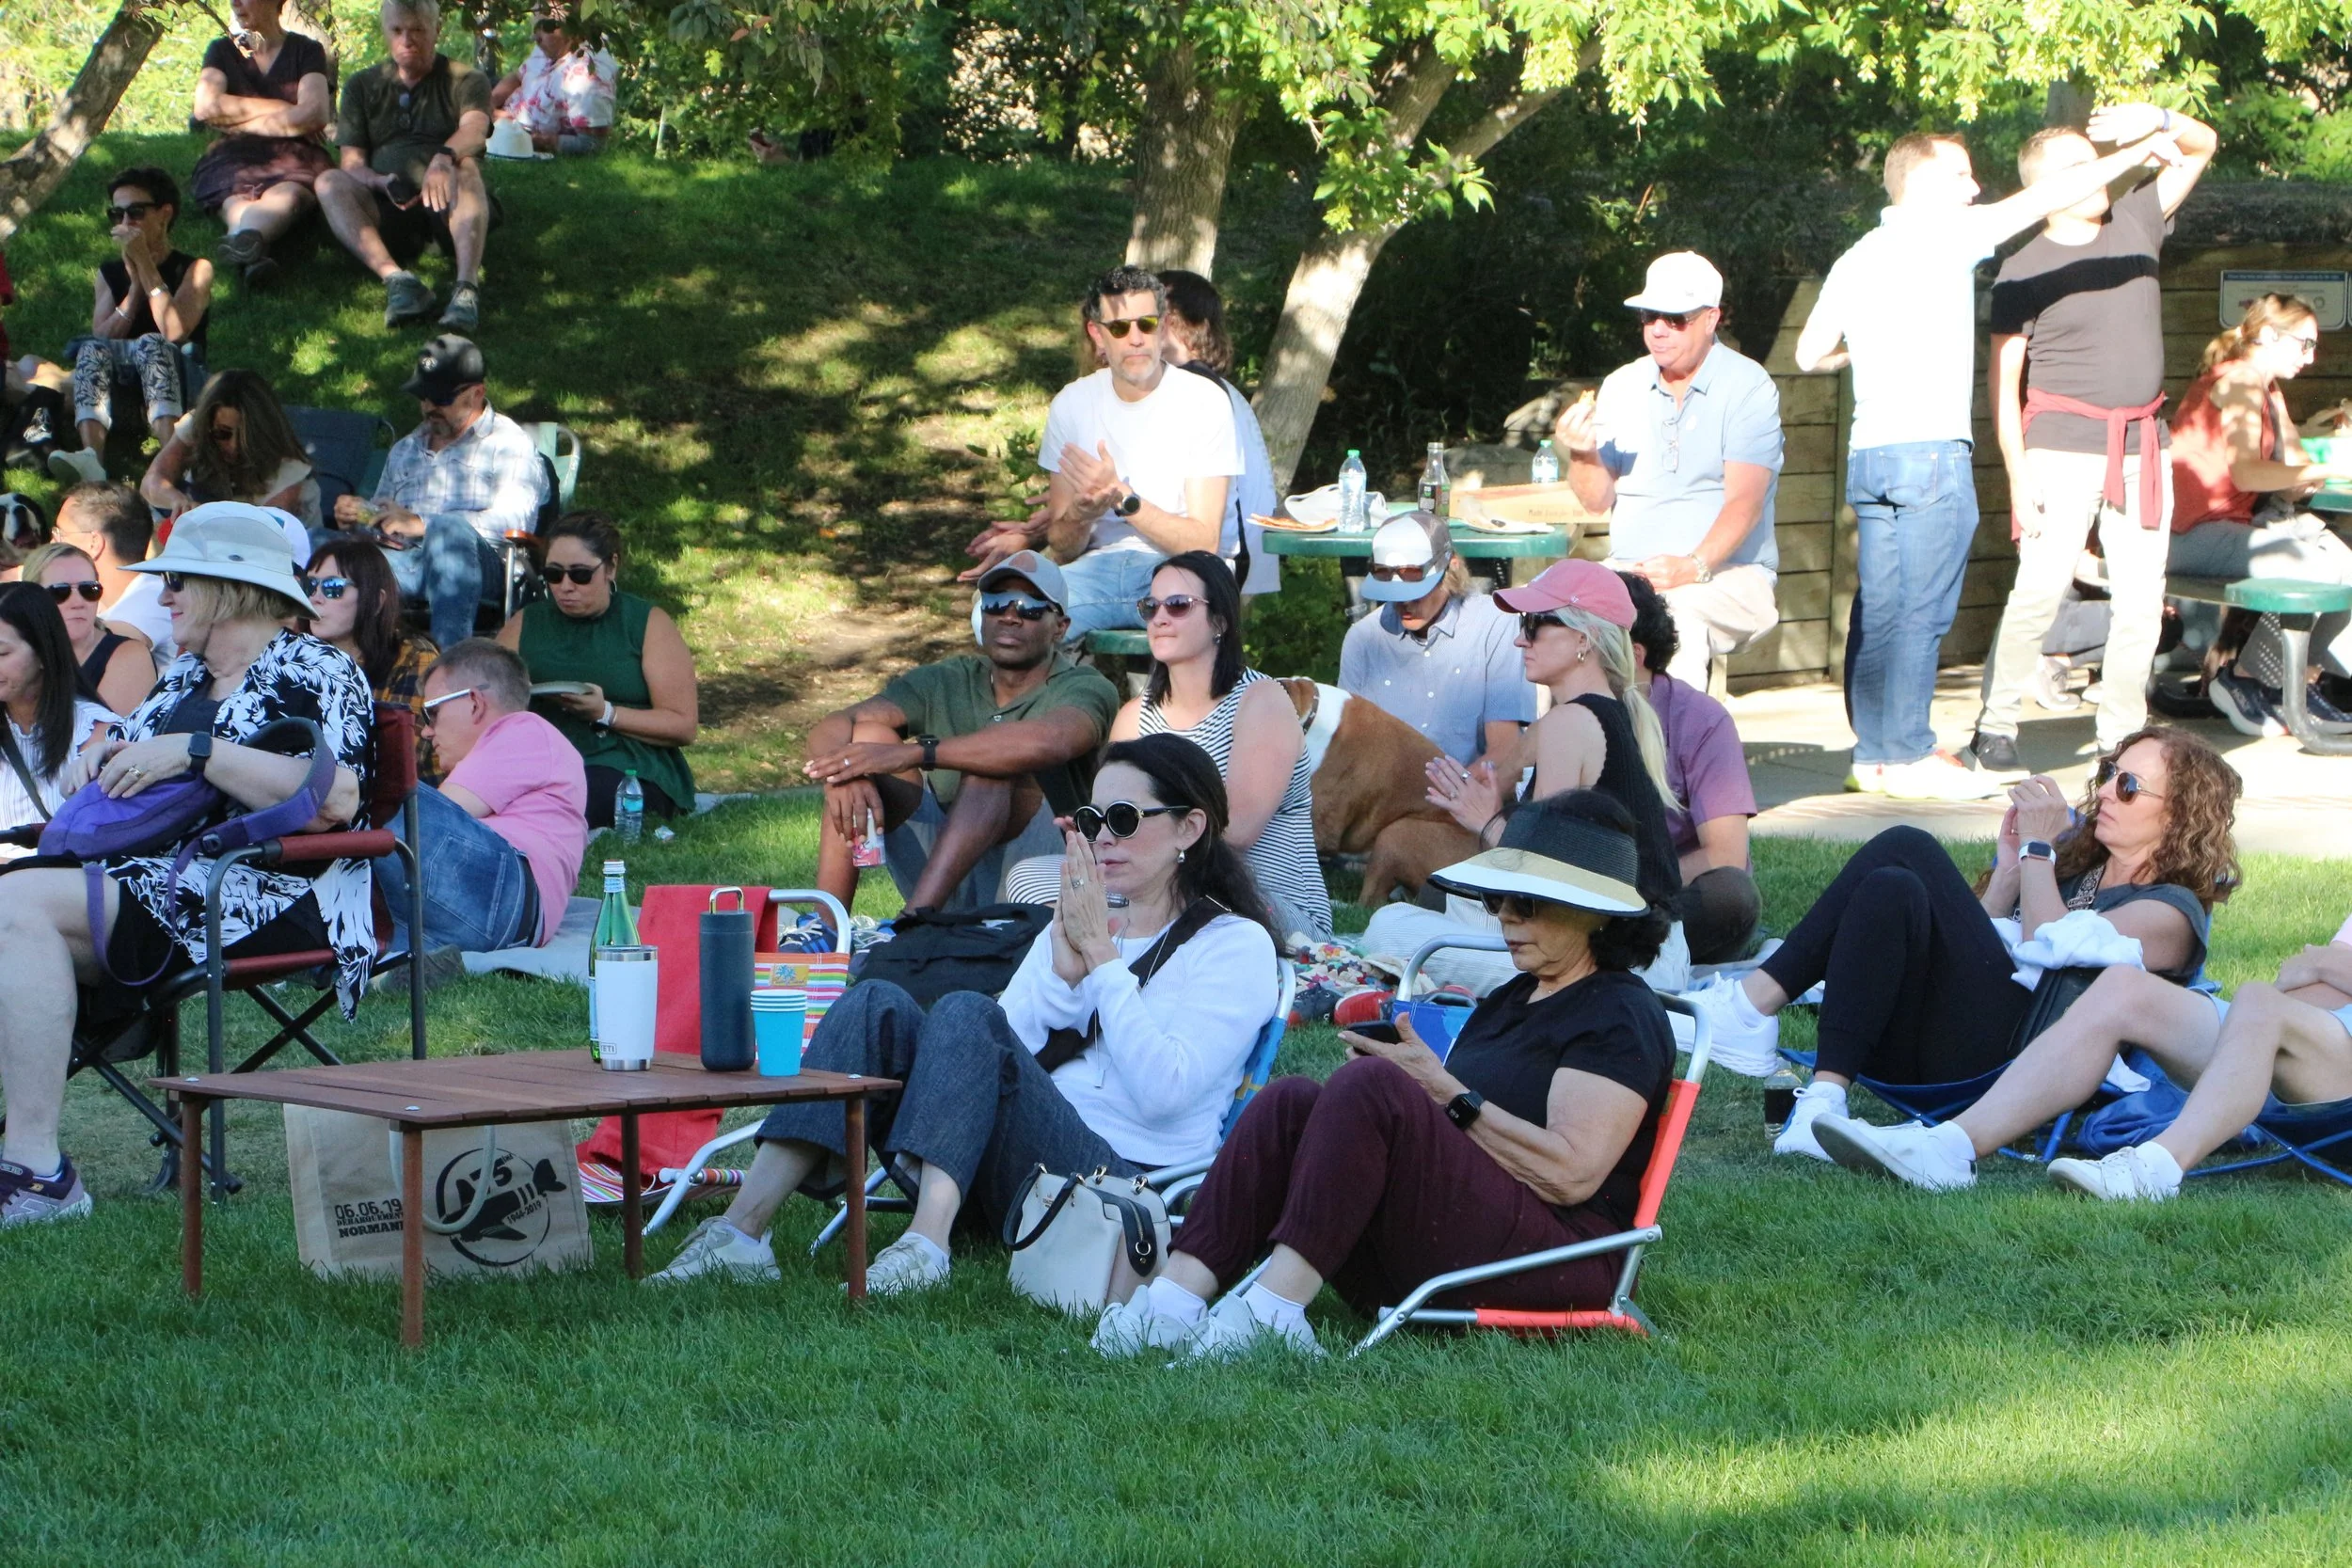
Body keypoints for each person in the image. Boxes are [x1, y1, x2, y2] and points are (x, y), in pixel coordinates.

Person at [649, 734, 1282, 1294]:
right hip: (1003, 1166)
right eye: (1091, 820)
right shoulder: (1084, 921)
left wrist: (1099, 961)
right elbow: (1001, 1055)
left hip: (1112, 1182)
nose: (1102, 839)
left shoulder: (1234, 945)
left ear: (1189, 827)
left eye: (1123, 818)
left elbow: (1164, 1091)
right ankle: (742, 1232)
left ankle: (926, 1244)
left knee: (967, 1013)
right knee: (877, 1003)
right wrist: (1064, 975)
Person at [1094, 789, 1675, 1359]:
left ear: (1597, 911)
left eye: (1528, 902)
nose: (1505, 916)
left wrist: (1440, 1093)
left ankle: (1272, 1312)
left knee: (1373, 1090)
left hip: (1560, 1263)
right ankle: (1170, 1303)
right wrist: (1408, 1096)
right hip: (1472, 1240)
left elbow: (1569, 1174)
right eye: (1499, 899)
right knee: (1291, 1103)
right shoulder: (1516, 994)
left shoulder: (1619, 1014)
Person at [0, 504, 373, 1227]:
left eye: (175, 580)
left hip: (265, 891)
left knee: (18, 909)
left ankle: (38, 1171)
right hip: (159, 886)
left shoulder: (315, 667)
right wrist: (100, 761)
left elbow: (338, 798)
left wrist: (198, 753)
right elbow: (135, 763)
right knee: (13, 907)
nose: (162, 597)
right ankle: (29, 1160)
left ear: (228, 587)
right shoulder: (182, 681)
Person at [1798, 127, 2185, 800]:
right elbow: (2052, 193)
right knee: (1921, 613)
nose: (1976, 188)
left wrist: (1866, 353)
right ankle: (1913, 754)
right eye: (1961, 176)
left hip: (1871, 457)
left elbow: (1809, 354)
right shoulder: (1949, 235)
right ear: (1920, 185)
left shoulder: (1858, 255)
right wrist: (2135, 153)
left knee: (1882, 610)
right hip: (1930, 459)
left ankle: (1878, 754)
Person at [1686, 726, 2239, 1161]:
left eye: (2130, 786)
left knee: (1907, 845)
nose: (2108, 793)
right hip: (1950, 1045)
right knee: (1892, 886)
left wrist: (2038, 853)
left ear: (2180, 816)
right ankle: (1822, 1105)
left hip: (2020, 1073)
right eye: (2109, 773)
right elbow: (1975, 949)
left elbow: (2053, 950)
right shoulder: (2082, 873)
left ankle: (1748, 1008)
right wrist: (2005, 877)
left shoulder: (2173, 911)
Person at [1970, 105, 2219, 772]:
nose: (2098, 173)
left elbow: (2202, 145)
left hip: (2145, 445)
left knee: (2142, 600)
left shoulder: (2136, 219)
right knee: (2039, 590)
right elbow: (2005, 385)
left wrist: (2162, 115)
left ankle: (2120, 736)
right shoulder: (2021, 267)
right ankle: (1995, 725)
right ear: (2043, 187)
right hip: (2058, 448)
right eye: (2078, 165)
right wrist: (2018, 479)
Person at [1813, 922, 2352, 1200]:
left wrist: (2320, 960)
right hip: (2303, 1037)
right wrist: (2322, 967)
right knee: (2124, 988)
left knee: (2260, 1000)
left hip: (2325, 1059)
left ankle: (2156, 1170)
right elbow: (2306, 980)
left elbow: (2311, 969)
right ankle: (1951, 1147)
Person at [1369, 559, 1686, 995]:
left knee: (1389, 926)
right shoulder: (1601, 711)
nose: (1520, 639)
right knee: (1458, 905)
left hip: (1623, 961)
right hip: (1647, 946)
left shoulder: (1570, 722)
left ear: (1583, 637)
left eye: (1534, 624)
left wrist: (1486, 823)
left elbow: (1545, 879)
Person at [802, 550, 1118, 913]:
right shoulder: (948, 678)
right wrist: (841, 775)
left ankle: (915, 924)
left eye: (1030, 607)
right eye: (996, 604)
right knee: (866, 739)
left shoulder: (1086, 686)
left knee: (994, 770)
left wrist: (919, 752)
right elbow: (836, 723)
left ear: (1060, 626)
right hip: (945, 866)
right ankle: (826, 928)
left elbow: (1052, 742)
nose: (1010, 617)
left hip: (1044, 877)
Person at [963, 266, 1238, 641]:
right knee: (993, 619)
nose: (1137, 338)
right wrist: (1080, 513)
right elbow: (1063, 543)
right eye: (1121, 328)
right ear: (1097, 333)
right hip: (1096, 569)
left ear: (1163, 326)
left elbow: (1203, 543)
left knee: (1188, 611)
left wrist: (1123, 498)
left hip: (1182, 571)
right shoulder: (1072, 404)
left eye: (1147, 324)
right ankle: (1056, 700)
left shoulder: (1204, 400)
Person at [1555, 250, 1783, 691]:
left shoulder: (1748, 386)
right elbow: (1596, 499)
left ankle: (1673, 758)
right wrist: (1582, 454)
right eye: (1649, 315)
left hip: (1727, 573)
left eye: (1676, 318)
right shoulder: (1623, 385)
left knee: (1673, 627)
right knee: (1555, 622)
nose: (1658, 329)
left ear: (1711, 319)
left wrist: (1692, 565)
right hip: (1629, 570)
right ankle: (1559, 756)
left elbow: (1746, 502)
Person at [1107, 551, 1330, 941]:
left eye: (1178, 605)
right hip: (1153, 885)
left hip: (1270, 905)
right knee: (1036, 879)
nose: (1159, 618)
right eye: (1151, 606)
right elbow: (1113, 819)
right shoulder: (1133, 718)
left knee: (1176, 899)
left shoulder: (1261, 701)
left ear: (1220, 622)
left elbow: (1237, 830)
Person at [2167, 294, 2352, 734]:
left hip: (2230, 530)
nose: (2311, 356)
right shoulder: (2240, 381)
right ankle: (2246, 679)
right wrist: (2334, 465)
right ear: (2269, 335)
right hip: (2191, 534)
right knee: (2321, 568)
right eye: (2304, 343)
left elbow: (2290, 475)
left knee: (2345, 566)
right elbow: (2248, 472)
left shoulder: (2266, 388)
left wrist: (2314, 469)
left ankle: (2276, 683)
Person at [330, 334, 544, 649]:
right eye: (423, 396)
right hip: (402, 563)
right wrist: (361, 514)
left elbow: (515, 520)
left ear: (476, 394)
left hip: (473, 567)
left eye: (440, 398)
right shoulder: (406, 448)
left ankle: (449, 662)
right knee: (318, 543)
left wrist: (422, 523)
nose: (429, 406)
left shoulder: (508, 444)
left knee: (447, 530)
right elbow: (386, 514)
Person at [373, 638, 586, 953]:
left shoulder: (524, 729)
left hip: (502, 893)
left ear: (474, 702)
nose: (427, 731)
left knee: (365, 796)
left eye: (432, 712)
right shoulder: (534, 749)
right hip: (493, 917)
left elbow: (420, 820)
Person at [499, 511, 696, 829]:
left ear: (611, 567)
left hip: (626, 760)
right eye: (553, 574)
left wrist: (605, 713)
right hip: (543, 755)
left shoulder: (646, 622)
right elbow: (489, 692)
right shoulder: (526, 622)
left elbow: (683, 725)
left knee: (579, 797)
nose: (565, 586)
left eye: (580, 575)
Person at [316, 0, 495, 330]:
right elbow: (351, 163)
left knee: (466, 165)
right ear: (385, 32)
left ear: (436, 31)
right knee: (329, 181)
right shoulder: (362, 85)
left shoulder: (467, 79)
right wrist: (379, 181)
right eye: (397, 31)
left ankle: (466, 289)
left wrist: (443, 158)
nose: (406, 40)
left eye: (417, 30)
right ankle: (398, 282)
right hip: (388, 208)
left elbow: (475, 130)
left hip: (450, 207)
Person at [1622, 570, 1759, 965]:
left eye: (1591, 640)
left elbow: (1726, 853)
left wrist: (1636, 889)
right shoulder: (1569, 711)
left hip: (1668, 891)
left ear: (1634, 655)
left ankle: (1628, 953)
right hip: (1587, 895)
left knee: (1731, 897)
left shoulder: (1701, 720)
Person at [45, 169, 214, 487]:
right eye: (117, 213)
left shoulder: (194, 269)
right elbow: (102, 336)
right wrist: (135, 286)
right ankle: (91, 459)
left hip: (179, 388)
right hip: (122, 395)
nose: (125, 221)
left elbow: (174, 331)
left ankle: (173, 459)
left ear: (164, 214)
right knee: (92, 348)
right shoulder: (109, 272)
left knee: (151, 341)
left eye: (135, 212)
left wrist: (147, 267)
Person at [1338, 510, 1533, 768]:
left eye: (1417, 592)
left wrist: (1447, 801)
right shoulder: (1362, 639)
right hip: (1385, 800)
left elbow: (1505, 750)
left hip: (1468, 796)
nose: (1404, 602)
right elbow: (1346, 750)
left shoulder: (1495, 623)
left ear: (1451, 568)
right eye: (1392, 593)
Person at [190, 0, 336, 288]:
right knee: (234, 200)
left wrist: (237, 122)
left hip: (294, 155)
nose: (235, 2)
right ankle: (252, 251)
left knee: (289, 196)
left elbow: (316, 113)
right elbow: (206, 107)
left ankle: (243, 243)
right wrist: (285, 108)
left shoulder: (306, 50)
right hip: (234, 157)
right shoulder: (222, 50)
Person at [1157, 268, 1278, 594]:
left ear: (1171, 318)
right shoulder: (1215, 388)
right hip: (1236, 561)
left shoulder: (1191, 390)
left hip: (1214, 565)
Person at [303, 534, 438, 773]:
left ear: (376, 602)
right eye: (310, 586)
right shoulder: (297, 656)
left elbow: (398, 762)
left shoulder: (414, 657)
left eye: (333, 587)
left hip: (409, 804)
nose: (315, 598)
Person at [0, 582, 117, 834]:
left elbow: (104, 840)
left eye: (2, 653)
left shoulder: (96, 734)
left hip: (58, 871)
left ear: (43, 652)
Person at [140, 368, 320, 526]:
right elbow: (151, 483)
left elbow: (260, 538)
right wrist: (177, 500)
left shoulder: (289, 470)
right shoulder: (197, 427)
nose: (233, 446)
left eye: (245, 437)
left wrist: (204, 514)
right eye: (222, 433)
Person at [17, 543, 155, 717]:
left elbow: (109, 739)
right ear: (31, 599)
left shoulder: (130, 657)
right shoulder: (14, 652)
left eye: (89, 590)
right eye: (60, 592)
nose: (78, 603)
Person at [52, 483, 163, 657]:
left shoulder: (152, 597)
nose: (52, 544)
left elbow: (98, 653)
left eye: (60, 534)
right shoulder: (102, 602)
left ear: (94, 544)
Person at [490, 12, 616, 156]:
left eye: (545, 26)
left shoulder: (586, 79)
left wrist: (517, 136)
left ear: (572, 26)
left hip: (520, 131)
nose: (535, 37)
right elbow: (518, 76)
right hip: (504, 116)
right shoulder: (553, 47)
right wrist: (489, 103)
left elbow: (591, 144)